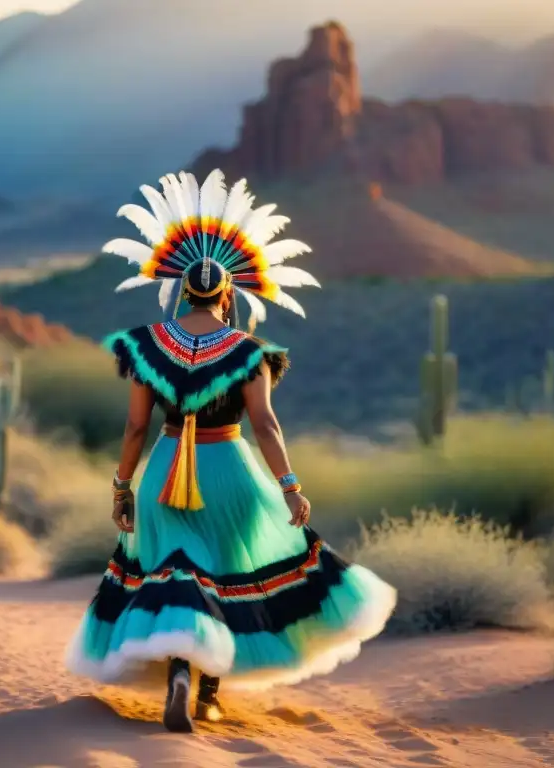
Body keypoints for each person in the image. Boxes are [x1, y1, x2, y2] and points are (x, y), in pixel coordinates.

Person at [65, 169, 397, 733]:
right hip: (230, 473)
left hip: (165, 469)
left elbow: (134, 428)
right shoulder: (250, 351)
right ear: (227, 293)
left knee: (176, 569)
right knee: (223, 574)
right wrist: (290, 486)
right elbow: (265, 425)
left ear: (181, 289)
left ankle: (178, 670)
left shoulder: (147, 346)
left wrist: (122, 486)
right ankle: (207, 696)